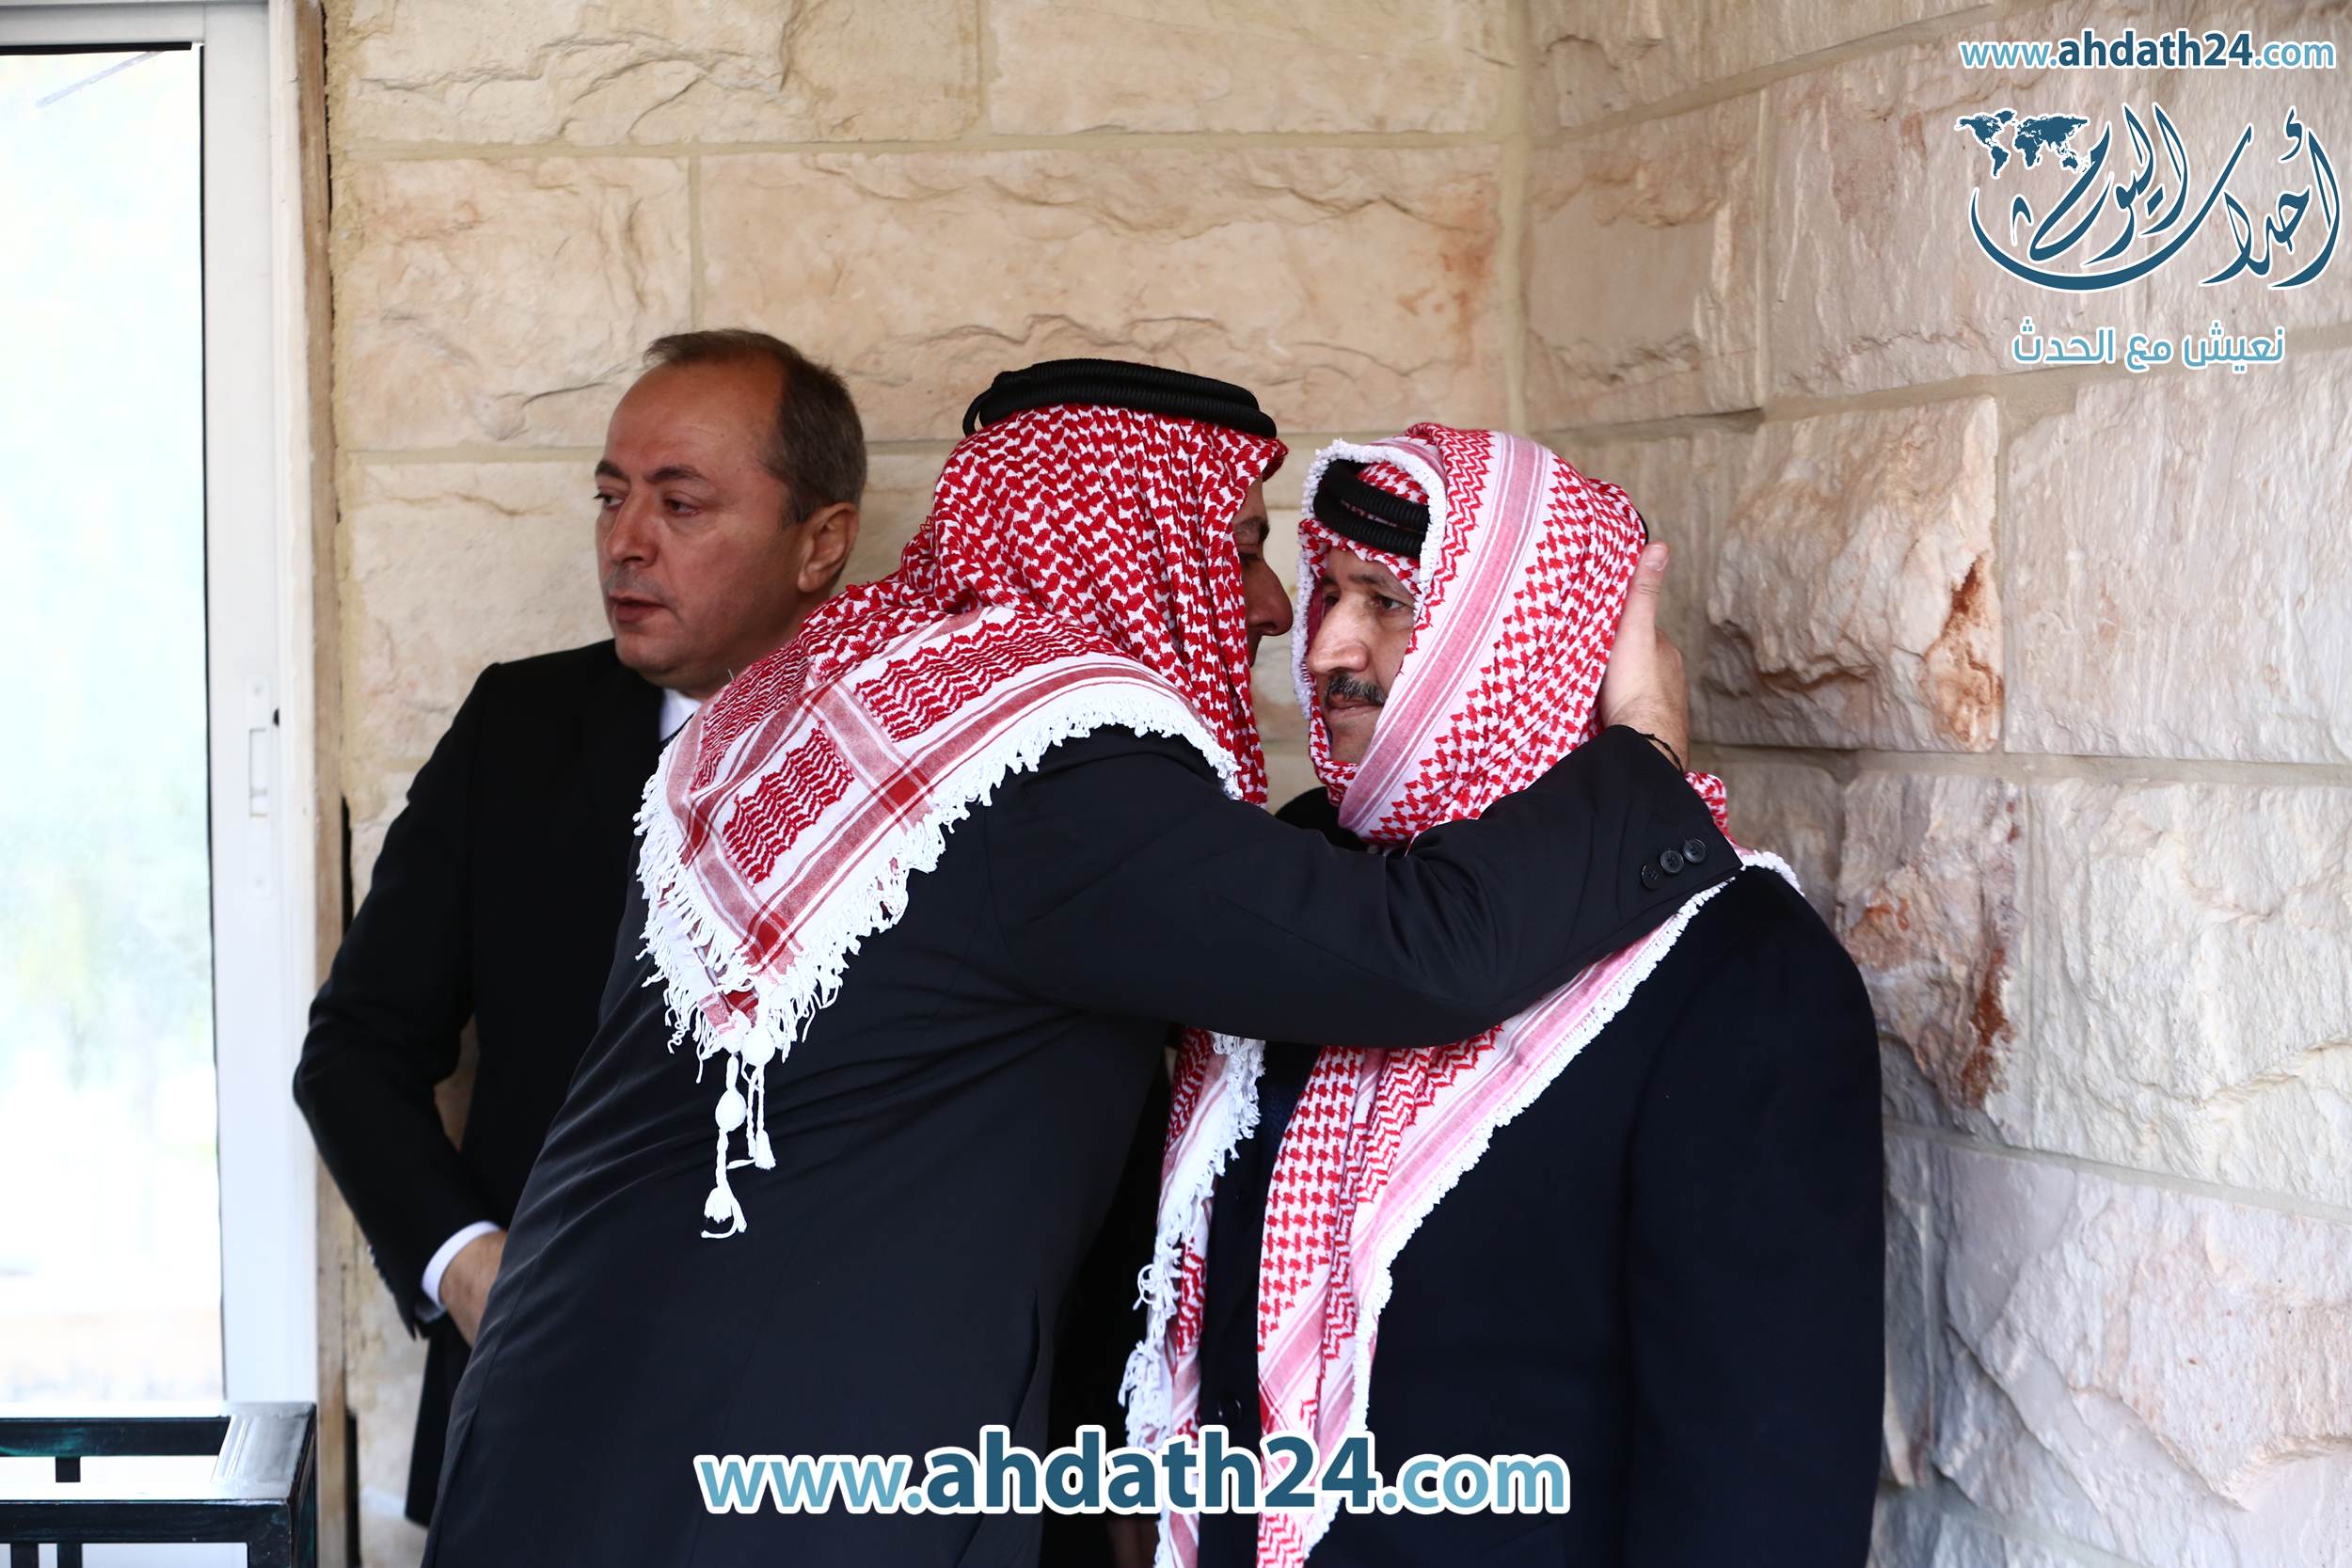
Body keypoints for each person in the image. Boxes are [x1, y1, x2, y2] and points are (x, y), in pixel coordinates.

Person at [420, 360, 1729, 1567]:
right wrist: (1644, 760)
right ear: (1137, 540)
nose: (1277, 607)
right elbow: (1418, 951)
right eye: (1242, 547)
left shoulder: (816, 695)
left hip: (559, 1430)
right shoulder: (1049, 769)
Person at [1130, 426, 1883, 1567]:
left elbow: (1761, 1483)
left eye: (1387, 602)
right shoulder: (1307, 889)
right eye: (1330, 592)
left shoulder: (1732, 967)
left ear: (1524, 635)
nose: (1327, 646)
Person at [292, 328, 864, 1526]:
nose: (625, 540)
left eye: (680, 503)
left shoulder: (917, 762)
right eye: (611, 496)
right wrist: (469, 1268)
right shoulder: (520, 730)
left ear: (820, 541)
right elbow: (355, 1048)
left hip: (820, 1442)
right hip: (538, 1420)